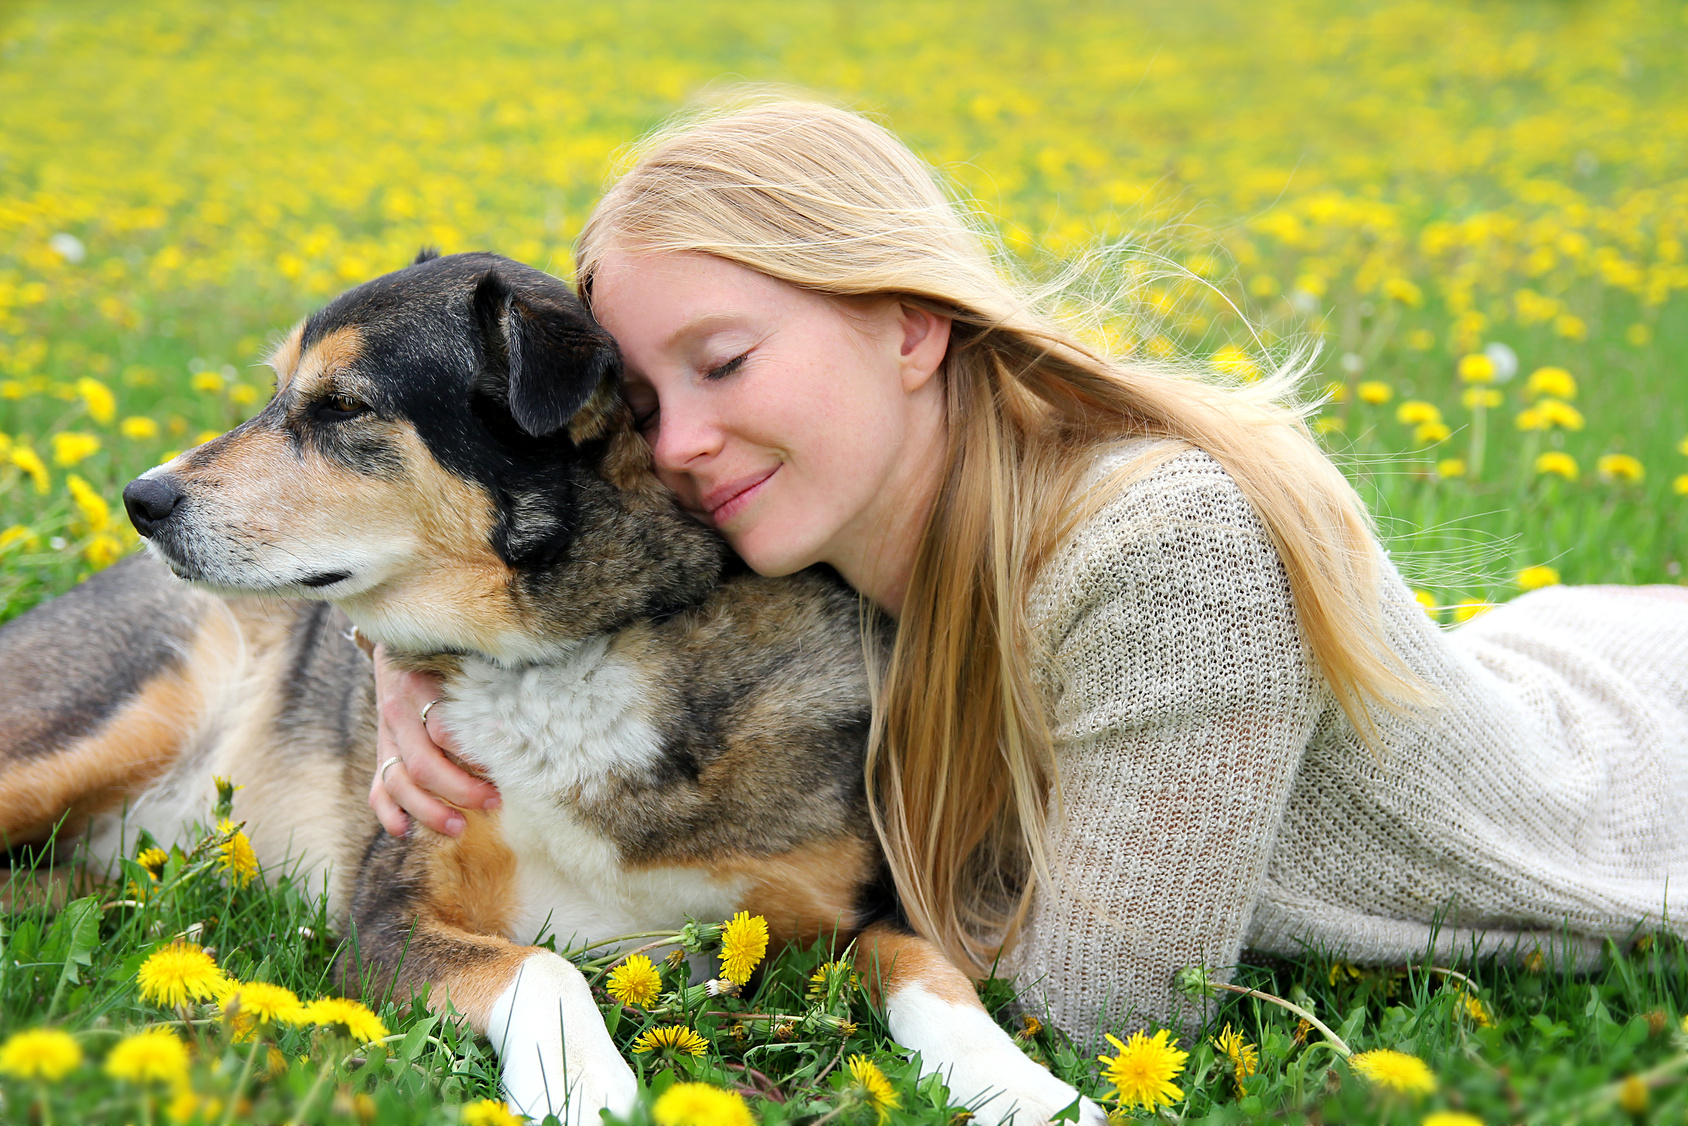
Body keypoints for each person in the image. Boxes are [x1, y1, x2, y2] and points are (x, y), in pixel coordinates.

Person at [368, 97, 1688, 1043]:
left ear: (910, 325)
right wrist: (408, 666)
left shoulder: (1169, 556)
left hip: (1638, 790)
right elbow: (508, 488)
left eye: (724, 360)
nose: (685, 443)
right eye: (646, 403)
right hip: (1542, 649)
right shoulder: (787, 507)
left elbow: (1099, 1019)